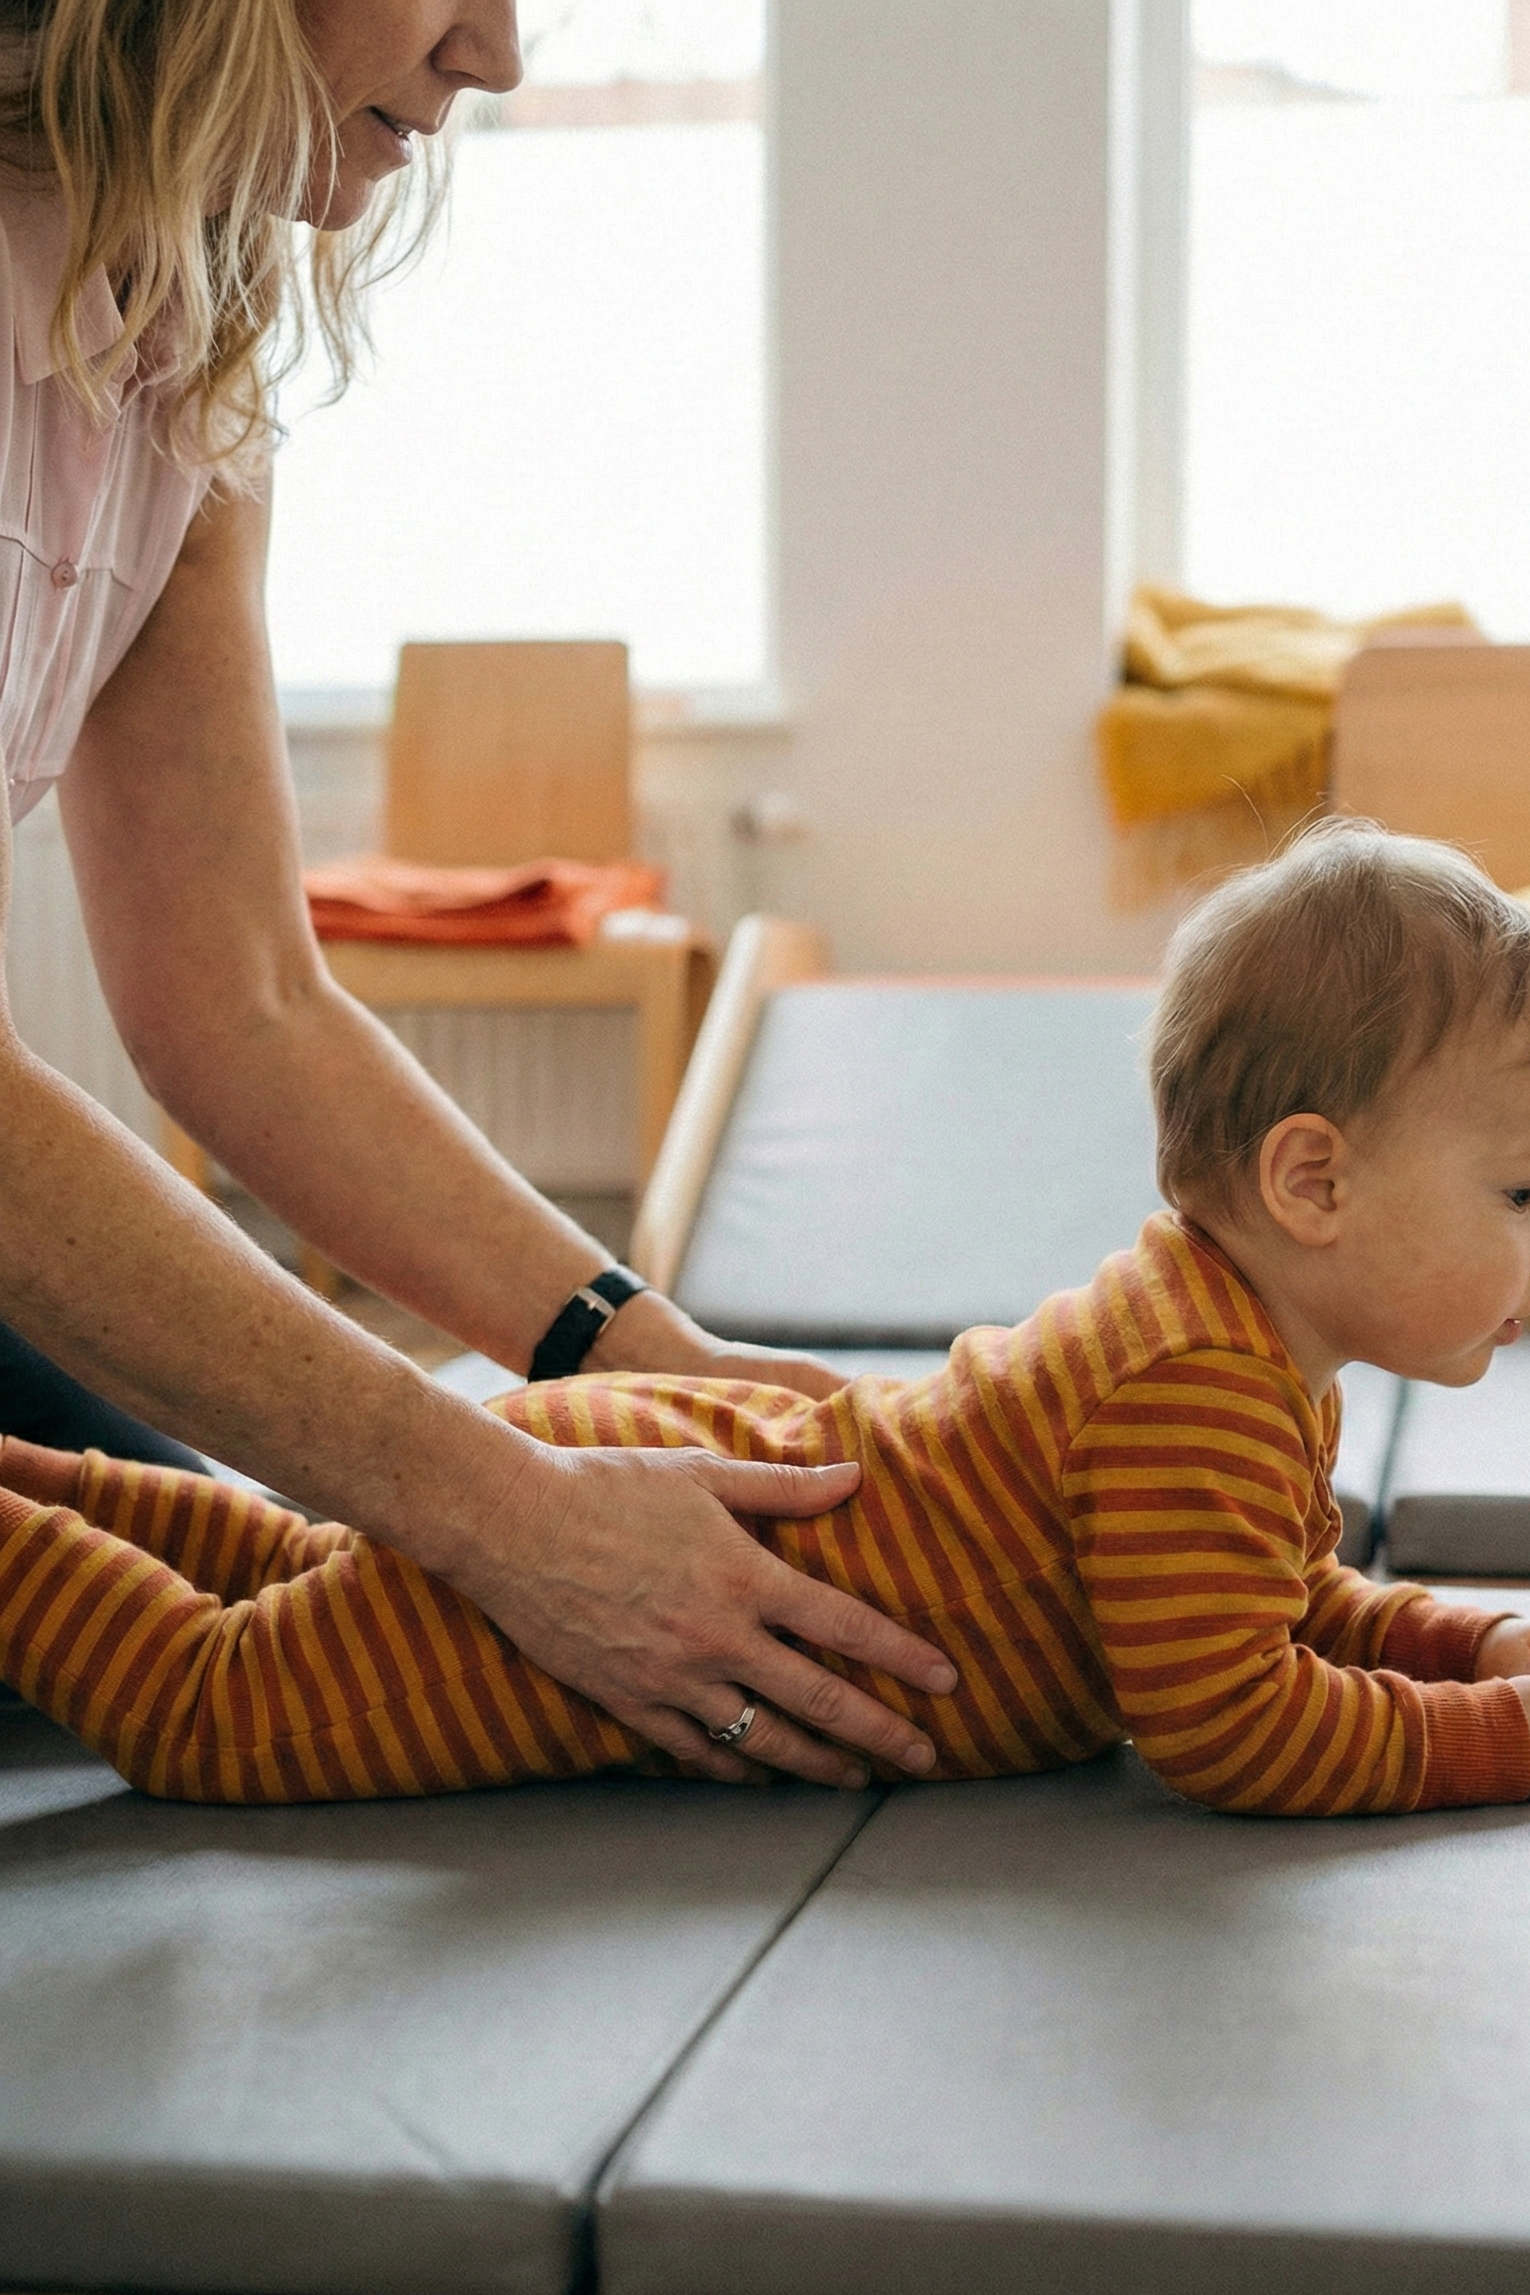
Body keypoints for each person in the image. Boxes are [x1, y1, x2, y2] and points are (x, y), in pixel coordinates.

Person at [0, 0, 959, 1792]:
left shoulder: (176, 362)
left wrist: (657, 1362)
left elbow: (246, 1004)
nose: (499, 59)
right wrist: (503, 1508)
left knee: (201, 1615)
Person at [0, 825, 1530, 1812]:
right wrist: (1490, 1742)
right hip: (625, 1584)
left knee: (304, 1573)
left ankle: (44, 1479)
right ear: (1313, 1182)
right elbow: (1226, 1721)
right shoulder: (1198, 1384)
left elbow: (1265, 1602)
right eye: (1522, 1195)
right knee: (209, 1710)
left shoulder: (1222, 1340)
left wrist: (1447, 1639)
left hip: (656, 1464)